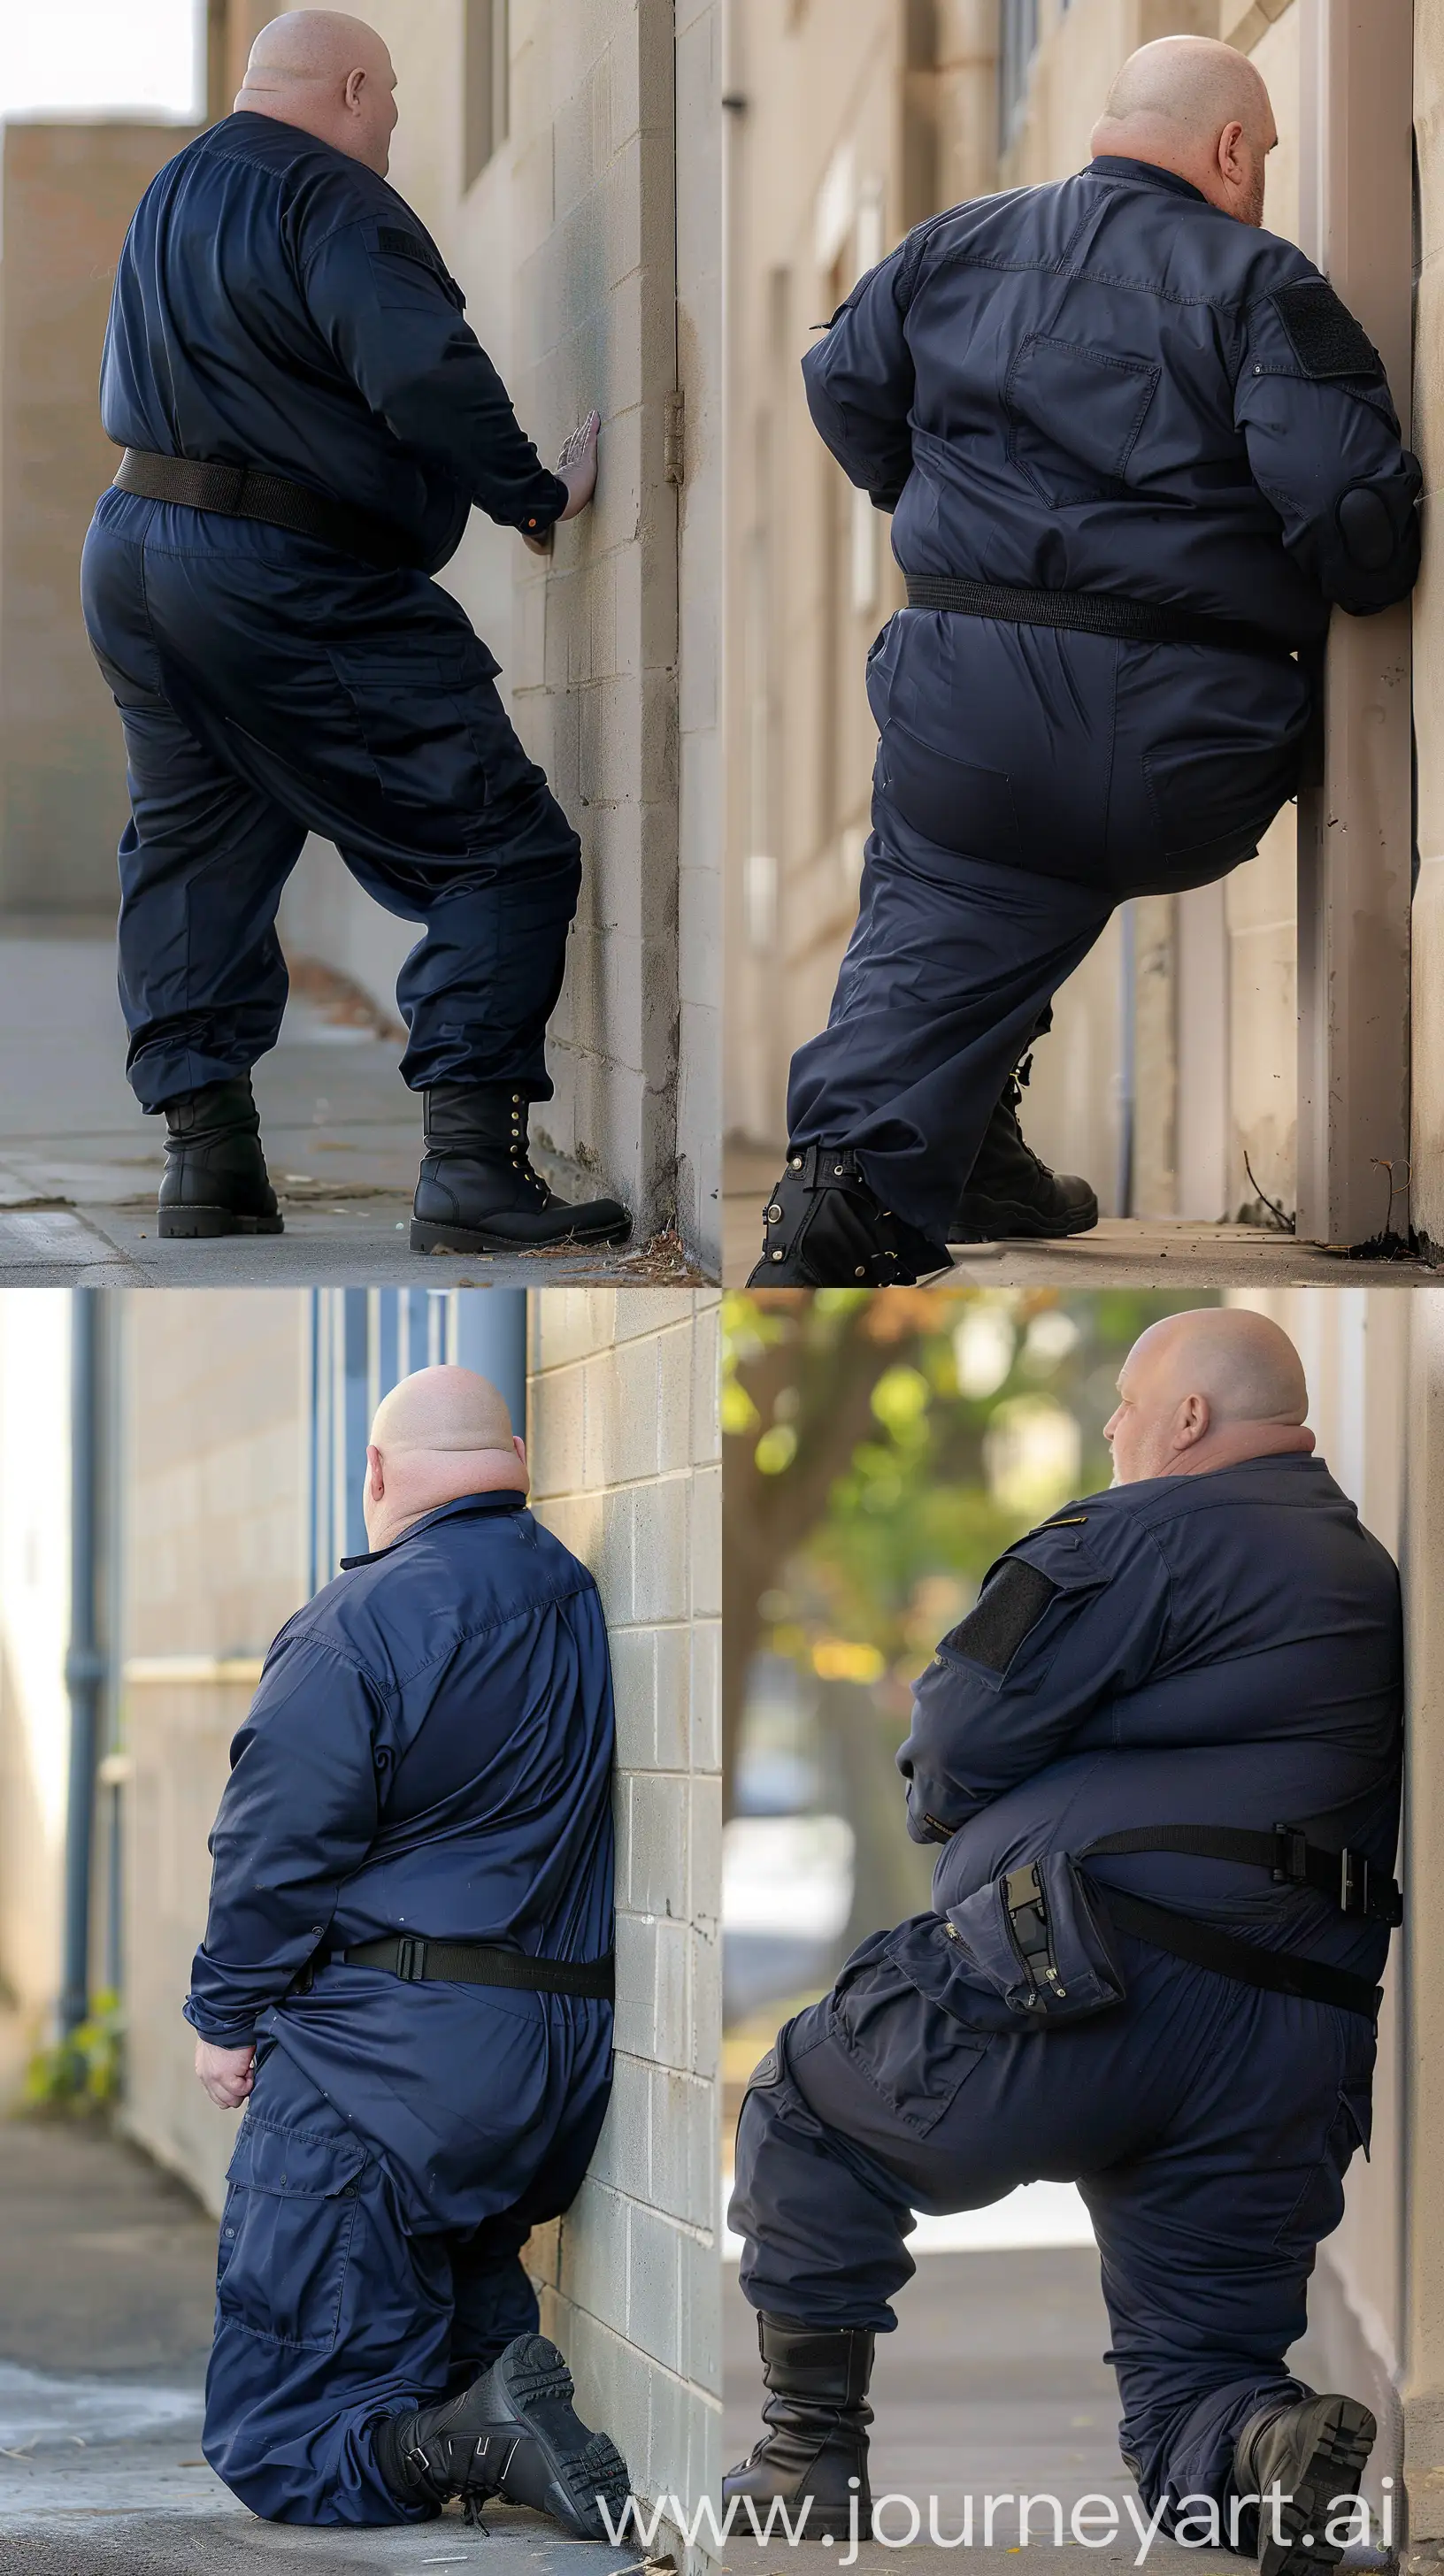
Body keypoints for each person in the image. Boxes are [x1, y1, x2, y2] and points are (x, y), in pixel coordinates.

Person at [727, 1309, 1403, 2576]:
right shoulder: (1356, 1565)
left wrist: (956, 1819)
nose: (1110, 1425)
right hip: (1287, 2044)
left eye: (1129, 1402)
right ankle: (1266, 2444)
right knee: (1193, 2395)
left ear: (1190, 1418)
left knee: (808, 2116)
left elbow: (958, 1731)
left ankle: (802, 2465)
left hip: (1087, 1988)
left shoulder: (1143, 1533)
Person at [748, 36, 1422, 1287]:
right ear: (1230, 151)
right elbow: (1350, 512)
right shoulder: (1263, 281)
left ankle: (849, 1181)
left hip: (967, 710)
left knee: (945, 893)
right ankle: (975, 1148)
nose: (1263, 178)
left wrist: (938, 510)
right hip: (1188, 743)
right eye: (1263, 157)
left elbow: (841, 386)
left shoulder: (950, 246)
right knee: (1026, 859)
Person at [81, 11, 629, 1257]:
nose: (391, 132)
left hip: (133, 555)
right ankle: (468, 1172)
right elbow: (419, 365)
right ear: (352, 84)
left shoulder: (172, 191)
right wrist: (531, 494)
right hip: (284, 571)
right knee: (502, 850)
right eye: (389, 106)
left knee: (197, 849)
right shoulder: (331, 195)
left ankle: (207, 1164)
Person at [187, 1364, 628, 2528]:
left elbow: (273, 1847)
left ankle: (475, 2451)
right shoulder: (574, 1598)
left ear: (377, 1474)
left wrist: (227, 2019)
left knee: (282, 2441)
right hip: (548, 2075)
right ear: (516, 1457)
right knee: (458, 2320)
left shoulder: (357, 1626)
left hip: (378, 2073)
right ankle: (510, 2426)